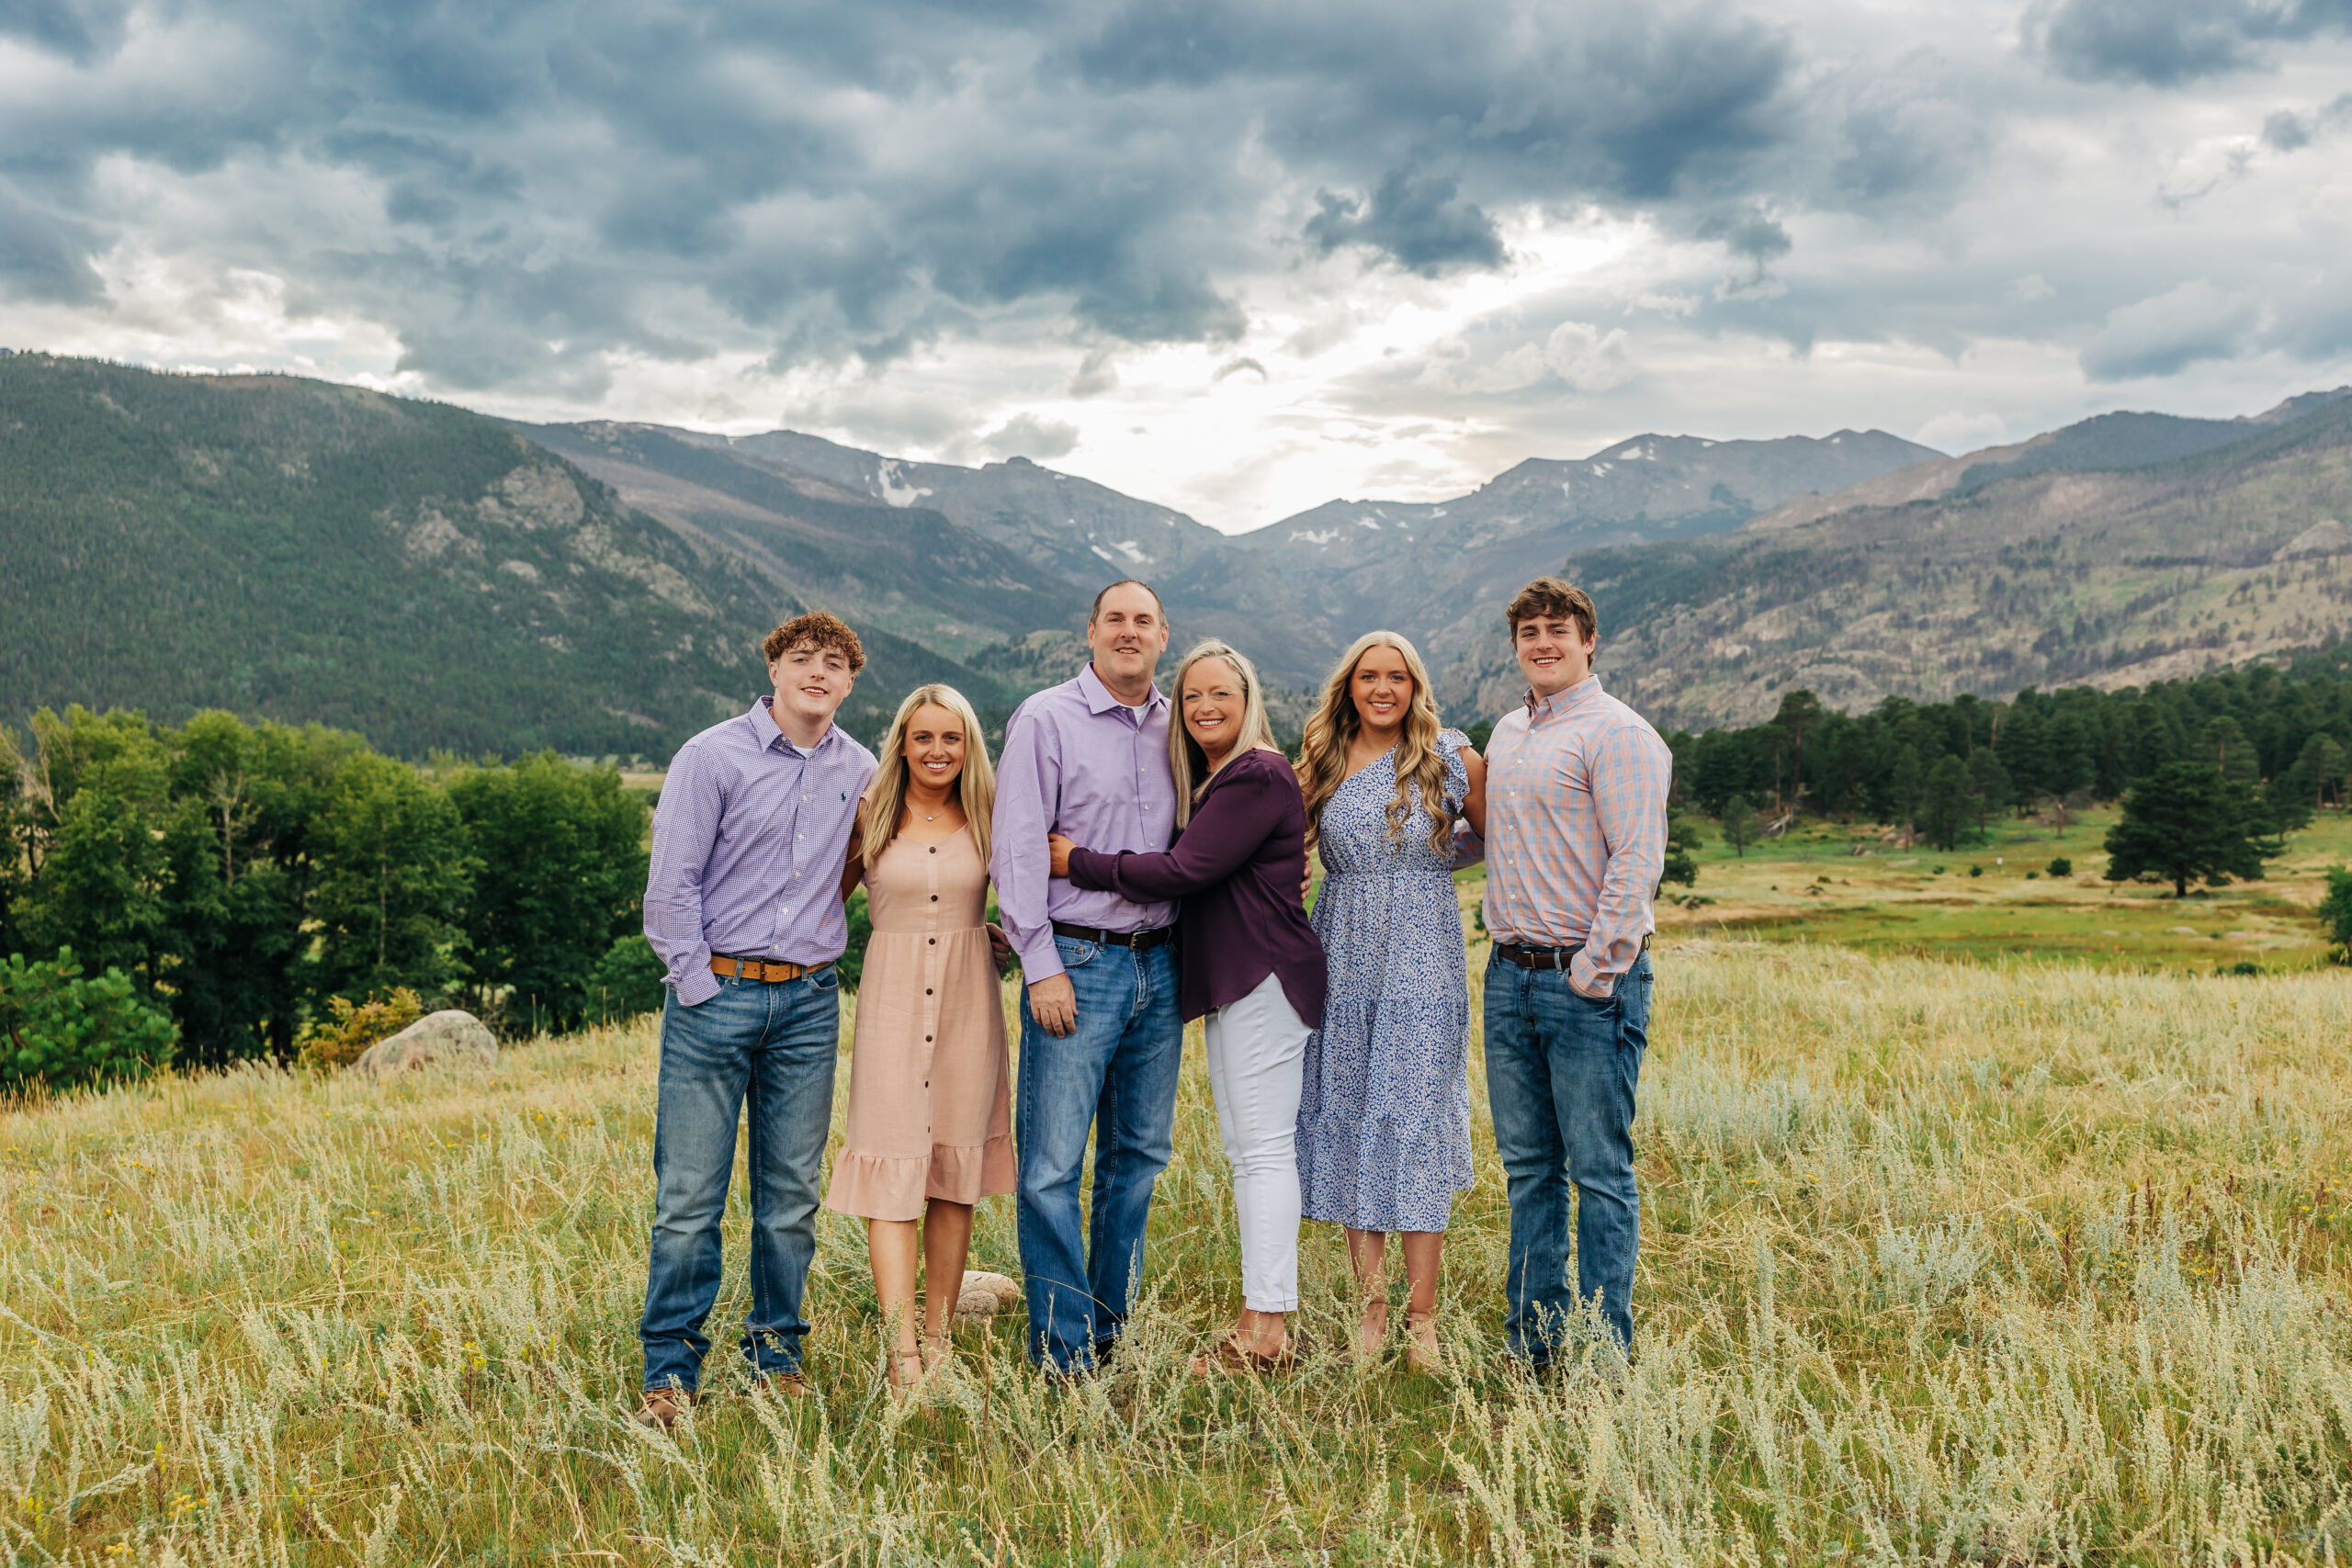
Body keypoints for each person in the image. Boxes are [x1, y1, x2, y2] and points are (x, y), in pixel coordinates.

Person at [1050, 641, 1324, 1372]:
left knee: (1262, 1151)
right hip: (1242, 980)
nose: (1205, 706)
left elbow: (1182, 870)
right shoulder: (1221, 778)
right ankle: (1262, 1319)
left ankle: (1266, 1332)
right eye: (1193, 695)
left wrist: (1074, 859)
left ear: (1248, 698)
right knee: (1249, 1151)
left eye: (1220, 694)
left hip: (1264, 977)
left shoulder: (1257, 772)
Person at [636, 610, 878, 1427]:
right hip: (717, 997)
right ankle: (670, 1369)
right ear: (773, 668)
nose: (819, 671)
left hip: (810, 1002)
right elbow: (671, 887)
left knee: (788, 1196)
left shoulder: (863, 769)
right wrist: (700, 987)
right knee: (690, 1196)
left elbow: (890, 868)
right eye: (803, 657)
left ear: (851, 682)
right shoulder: (712, 756)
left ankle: (775, 1353)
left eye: (836, 662)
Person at [991, 580, 1182, 1377]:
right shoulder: (1045, 718)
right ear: (1092, 632)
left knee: (1136, 1160)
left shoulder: (1182, 725)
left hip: (1162, 967)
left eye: (1144, 620)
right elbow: (1019, 851)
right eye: (1116, 619)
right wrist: (1041, 966)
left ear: (1163, 635)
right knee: (1050, 1167)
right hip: (1077, 960)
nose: (1129, 631)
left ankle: (1111, 1332)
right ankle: (1063, 1351)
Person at [1480, 577, 1669, 1371]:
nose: (1544, 643)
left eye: (1559, 629)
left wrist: (1594, 973)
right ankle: (1535, 1344)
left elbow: (1636, 862)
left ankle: (1601, 1354)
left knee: (1598, 1173)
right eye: (1530, 632)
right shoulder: (1508, 732)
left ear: (1589, 639)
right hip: (1506, 977)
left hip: (1583, 984)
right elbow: (1488, 839)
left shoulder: (1619, 733)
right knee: (1528, 1170)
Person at [1292, 631, 1486, 1373]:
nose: (1382, 688)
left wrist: (1429, 856)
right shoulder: (1324, 761)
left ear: (1414, 685)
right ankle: (1370, 1310)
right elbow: (1283, 844)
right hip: (1340, 946)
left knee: (1411, 1115)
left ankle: (1423, 1320)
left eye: (1395, 677)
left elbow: (1497, 836)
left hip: (1423, 951)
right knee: (1353, 1110)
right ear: (1349, 685)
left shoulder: (1450, 753)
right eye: (1368, 676)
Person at [826, 684, 1013, 1397]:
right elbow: (822, 899)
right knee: (894, 1173)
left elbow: (1029, 894)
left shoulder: (989, 813)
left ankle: (939, 1340)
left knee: (953, 1174)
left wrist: (1009, 941)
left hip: (970, 1001)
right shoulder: (870, 813)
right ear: (901, 743)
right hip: (892, 1003)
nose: (937, 751)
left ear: (969, 747)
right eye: (923, 737)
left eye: (951, 738)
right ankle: (902, 1352)